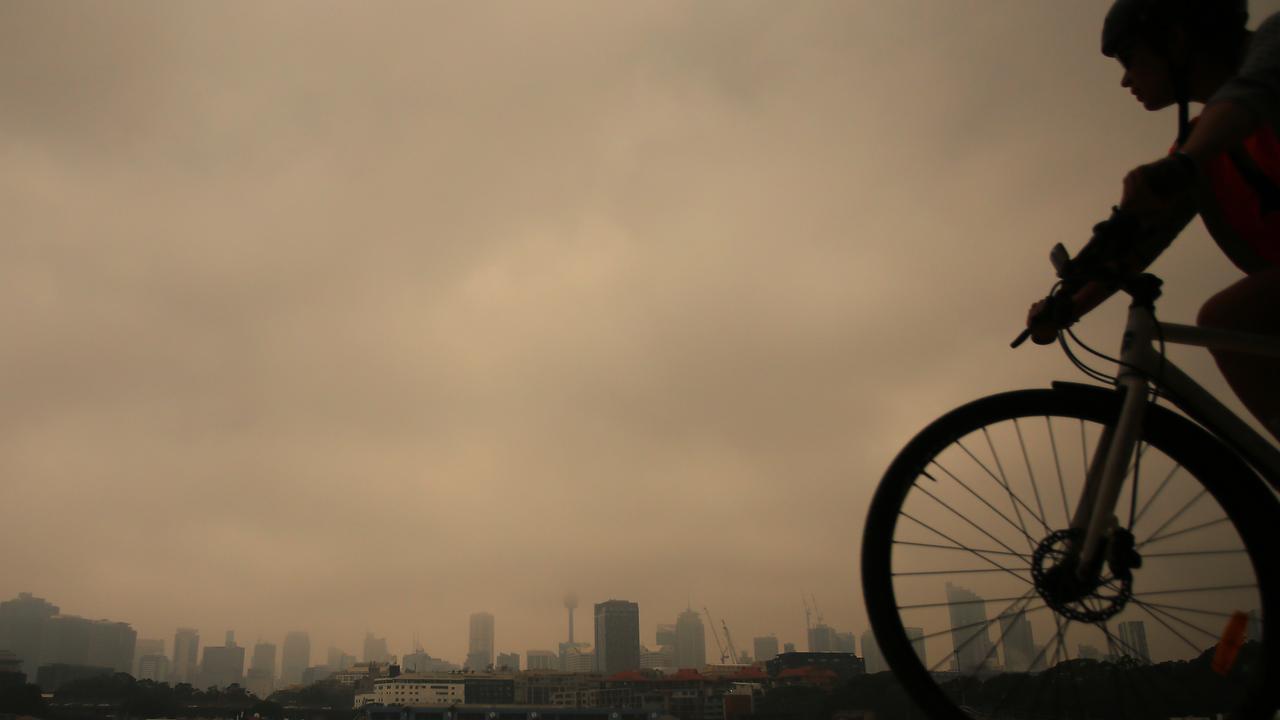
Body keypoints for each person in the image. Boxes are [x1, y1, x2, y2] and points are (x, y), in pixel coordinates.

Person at [1028, 0, 1280, 441]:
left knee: (1227, 318)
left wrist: (1183, 164)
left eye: (1129, 59)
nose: (1125, 78)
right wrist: (1069, 304)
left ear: (1175, 41)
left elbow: (1251, 94)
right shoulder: (1202, 144)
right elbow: (1142, 239)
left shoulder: (1273, 43)